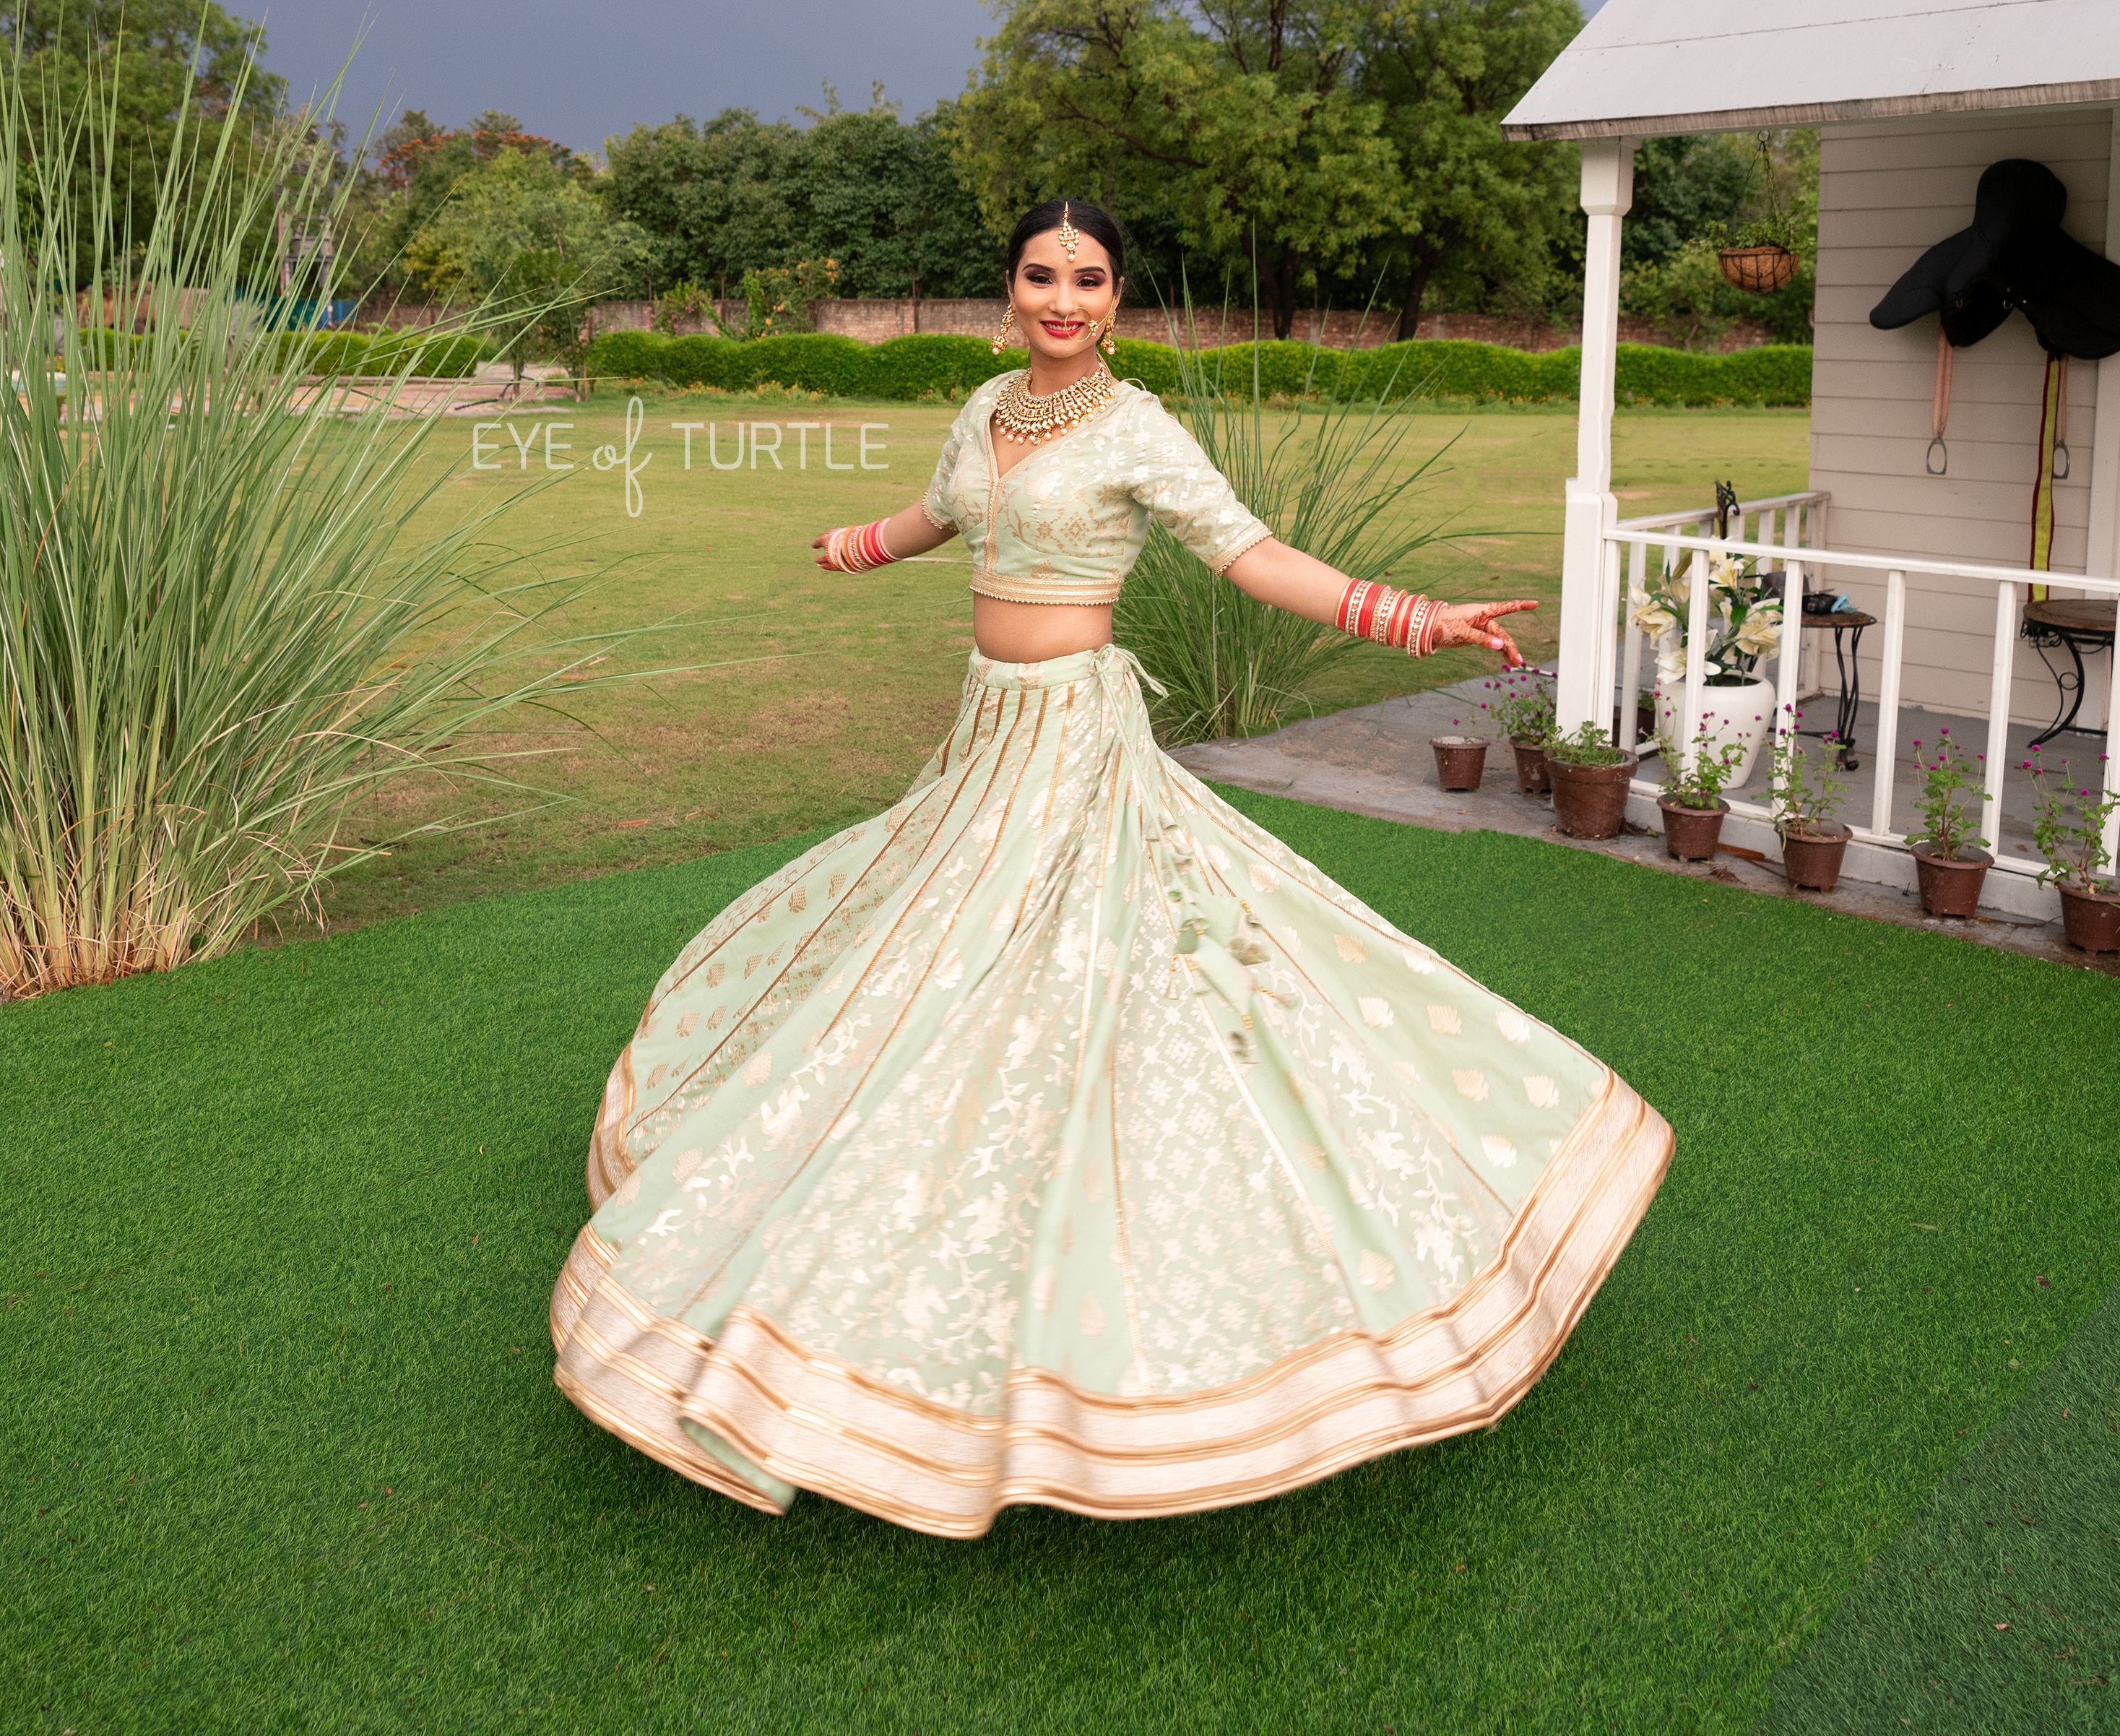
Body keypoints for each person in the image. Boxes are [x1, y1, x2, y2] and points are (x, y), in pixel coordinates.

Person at [549, 199, 1673, 1536]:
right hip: (984, 732)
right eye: (1042, 275)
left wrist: (1414, 617)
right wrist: (860, 545)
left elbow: (1252, 555)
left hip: (1076, 737)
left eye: (1088, 279)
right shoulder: (985, 407)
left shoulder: (1138, 429)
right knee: (918, 950)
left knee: (1038, 969)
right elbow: (939, 513)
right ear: (1011, 289)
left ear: (1118, 299)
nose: (1063, 299)